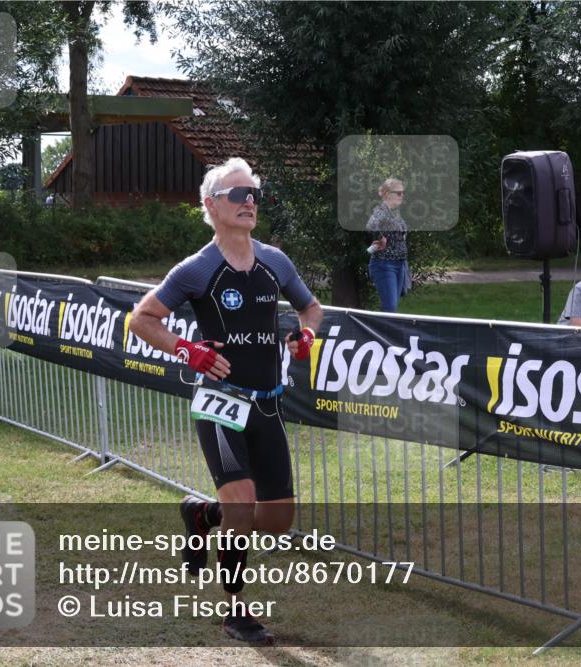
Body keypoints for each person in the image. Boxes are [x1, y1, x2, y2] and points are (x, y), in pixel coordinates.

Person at [128, 157, 323, 645]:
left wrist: (305, 336)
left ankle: (201, 514)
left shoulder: (274, 261)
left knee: (276, 521)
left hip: (266, 403)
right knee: (241, 506)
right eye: (238, 194)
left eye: (254, 193)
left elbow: (311, 309)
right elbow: (142, 319)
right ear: (212, 205)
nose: (250, 201)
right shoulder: (197, 268)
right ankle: (236, 612)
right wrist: (187, 349)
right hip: (218, 402)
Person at [366, 178, 409, 312]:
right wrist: (381, 238)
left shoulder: (395, 212)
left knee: (392, 309)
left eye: (403, 193)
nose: (402, 195)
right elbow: (371, 226)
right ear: (388, 194)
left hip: (399, 264)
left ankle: (379, 332)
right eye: (399, 193)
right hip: (384, 265)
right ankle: (375, 332)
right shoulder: (381, 210)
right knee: (390, 308)